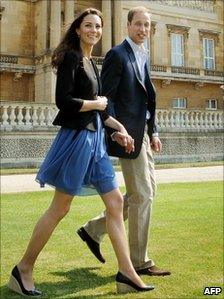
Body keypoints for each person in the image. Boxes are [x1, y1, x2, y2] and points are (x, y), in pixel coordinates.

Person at [7, 8, 155, 296]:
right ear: (77, 29)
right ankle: (23, 268)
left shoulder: (91, 61)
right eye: (89, 26)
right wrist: (97, 106)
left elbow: (99, 108)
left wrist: (118, 128)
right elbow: (64, 101)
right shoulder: (72, 57)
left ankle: (127, 273)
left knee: (115, 202)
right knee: (60, 208)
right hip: (77, 140)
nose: (95, 31)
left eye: (98, 27)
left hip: (97, 139)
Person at [77, 6, 171, 277]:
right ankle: (139, 262)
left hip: (143, 134)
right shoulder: (118, 55)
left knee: (141, 194)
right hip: (128, 136)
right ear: (128, 26)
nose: (143, 29)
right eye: (138, 24)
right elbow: (108, 99)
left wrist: (154, 131)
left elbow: (148, 99)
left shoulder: (143, 55)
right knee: (143, 195)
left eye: (147, 25)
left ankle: (92, 230)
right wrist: (118, 130)